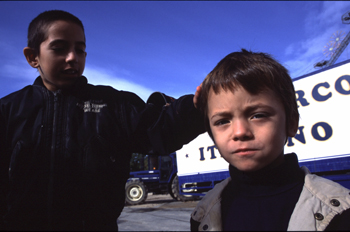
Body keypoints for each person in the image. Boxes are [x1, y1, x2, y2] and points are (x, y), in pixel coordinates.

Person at [0, 10, 205, 231]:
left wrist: (196, 107)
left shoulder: (115, 105)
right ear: (33, 57)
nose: (72, 57)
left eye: (80, 49)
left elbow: (162, 129)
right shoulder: (8, 111)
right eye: (59, 48)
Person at [190, 49, 350, 231]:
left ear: (291, 122)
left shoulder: (340, 214)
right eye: (222, 121)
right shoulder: (202, 214)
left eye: (258, 115)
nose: (240, 132)